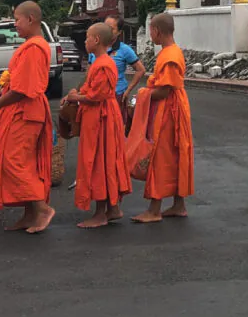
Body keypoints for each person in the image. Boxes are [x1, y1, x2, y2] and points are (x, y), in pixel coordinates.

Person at [0, 1, 55, 234]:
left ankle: (42, 209)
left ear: (30, 19)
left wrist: (0, 102)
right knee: (21, 161)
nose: (14, 24)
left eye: (17, 19)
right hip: (20, 108)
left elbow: (23, 89)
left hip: (26, 111)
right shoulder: (30, 46)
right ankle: (29, 214)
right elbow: (15, 82)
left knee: (15, 161)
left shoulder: (35, 48)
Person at [65, 23, 132, 228]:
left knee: (99, 161)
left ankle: (100, 214)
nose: (84, 41)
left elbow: (97, 96)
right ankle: (113, 209)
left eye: (86, 38)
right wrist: (73, 96)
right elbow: (88, 87)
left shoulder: (104, 64)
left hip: (101, 117)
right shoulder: (99, 62)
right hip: (100, 115)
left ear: (96, 40)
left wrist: (77, 97)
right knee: (105, 160)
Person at [132, 13, 194, 223]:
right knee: (176, 155)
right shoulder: (171, 52)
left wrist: (142, 94)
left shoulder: (170, 56)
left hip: (169, 112)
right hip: (174, 108)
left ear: (156, 31)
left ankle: (155, 209)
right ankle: (179, 204)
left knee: (160, 156)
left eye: (150, 30)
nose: (150, 35)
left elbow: (165, 91)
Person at [87, 15, 145, 128]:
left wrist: (128, 90)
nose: (106, 31)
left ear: (119, 32)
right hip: (95, 96)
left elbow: (140, 70)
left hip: (117, 95)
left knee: (115, 129)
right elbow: (88, 74)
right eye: (105, 27)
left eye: (111, 28)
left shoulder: (124, 50)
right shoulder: (94, 48)